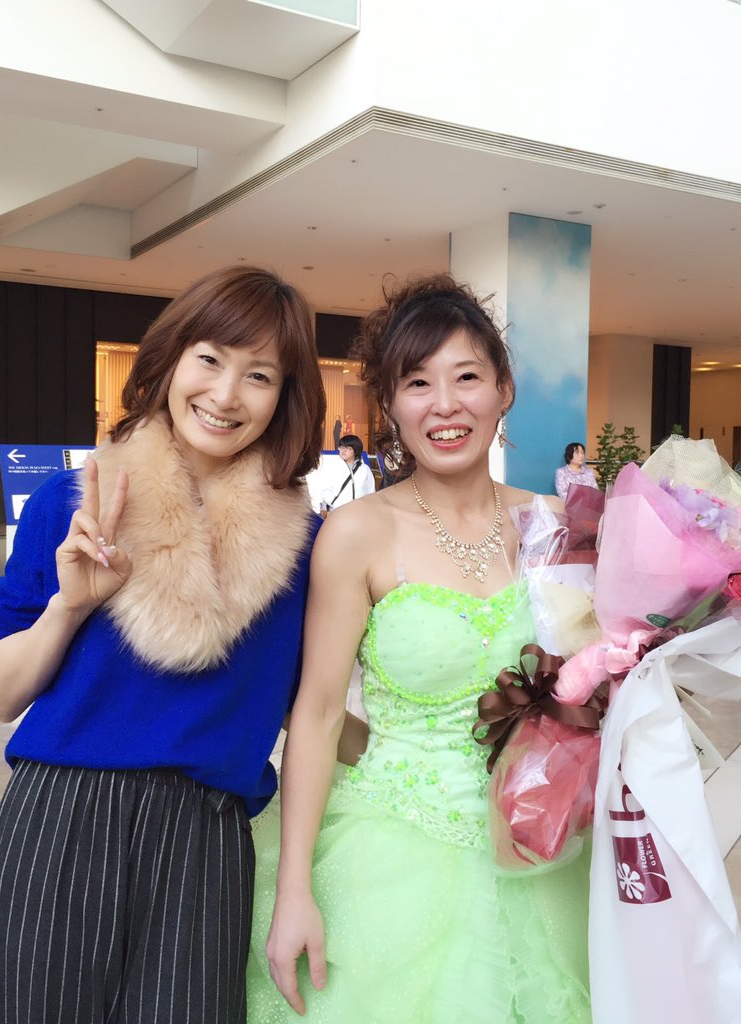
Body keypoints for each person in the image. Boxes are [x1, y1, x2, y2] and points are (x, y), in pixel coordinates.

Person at [0, 266, 329, 1024]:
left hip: (206, 839)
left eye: (259, 375)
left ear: (286, 396)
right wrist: (69, 608)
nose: (226, 395)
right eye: (210, 359)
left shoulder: (308, 546)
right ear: (170, 360)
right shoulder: (74, 502)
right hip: (58, 819)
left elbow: (319, 713)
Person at [247, 274, 592, 1022]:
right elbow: (316, 716)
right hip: (392, 849)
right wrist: (296, 887)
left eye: (467, 377)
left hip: (545, 843)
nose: (444, 404)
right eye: (416, 383)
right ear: (390, 405)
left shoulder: (554, 524)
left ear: (503, 391)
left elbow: (592, 688)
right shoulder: (357, 533)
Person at [320, 435, 376, 514]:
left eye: (348, 448)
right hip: (338, 511)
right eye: (341, 447)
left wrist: (366, 508)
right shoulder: (332, 468)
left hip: (360, 512)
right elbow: (325, 489)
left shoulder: (364, 469)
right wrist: (335, 504)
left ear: (356, 450)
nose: (343, 451)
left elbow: (370, 491)